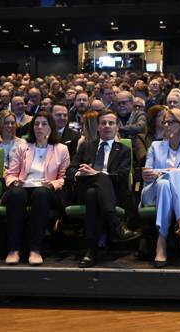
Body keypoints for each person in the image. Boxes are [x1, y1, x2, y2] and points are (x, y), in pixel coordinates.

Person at [66, 110, 140, 268]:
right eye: (103, 123)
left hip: (112, 193)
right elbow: (70, 171)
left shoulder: (124, 150)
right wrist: (81, 172)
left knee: (95, 192)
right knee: (93, 189)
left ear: (117, 128)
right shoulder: (86, 146)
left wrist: (98, 174)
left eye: (111, 123)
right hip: (83, 189)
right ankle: (117, 225)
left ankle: (90, 251)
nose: (107, 126)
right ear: (98, 127)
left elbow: (121, 177)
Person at [2, 112, 70, 266]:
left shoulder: (61, 149)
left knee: (41, 193)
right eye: (36, 124)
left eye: (44, 124)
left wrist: (52, 184)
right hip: (24, 186)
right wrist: (14, 182)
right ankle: (13, 249)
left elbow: (64, 177)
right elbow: (11, 173)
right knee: (16, 195)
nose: (39, 127)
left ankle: (35, 249)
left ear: (51, 127)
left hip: (47, 190)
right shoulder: (23, 147)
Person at [141, 108, 180, 267]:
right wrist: (168, 172)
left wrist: (159, 173)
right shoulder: (155, 146)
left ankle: (161, 240)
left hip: (177, 193)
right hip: (151, 193)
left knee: (165, 183)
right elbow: (147, 173)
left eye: (171, 122)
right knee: (172, 175)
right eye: (164, 122)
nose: (166, 125)